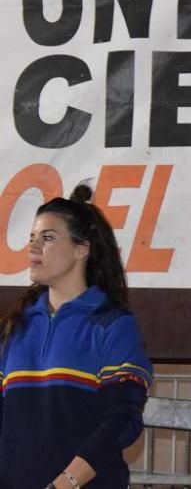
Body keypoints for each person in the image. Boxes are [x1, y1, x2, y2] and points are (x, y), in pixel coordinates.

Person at [0, 185, 153, 489]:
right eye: (31, 238)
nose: (32, 247)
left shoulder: (113, 325)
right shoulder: (13, 328)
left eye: (47, 238)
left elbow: (122, 419)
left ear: (82, 249)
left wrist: (67, 483)